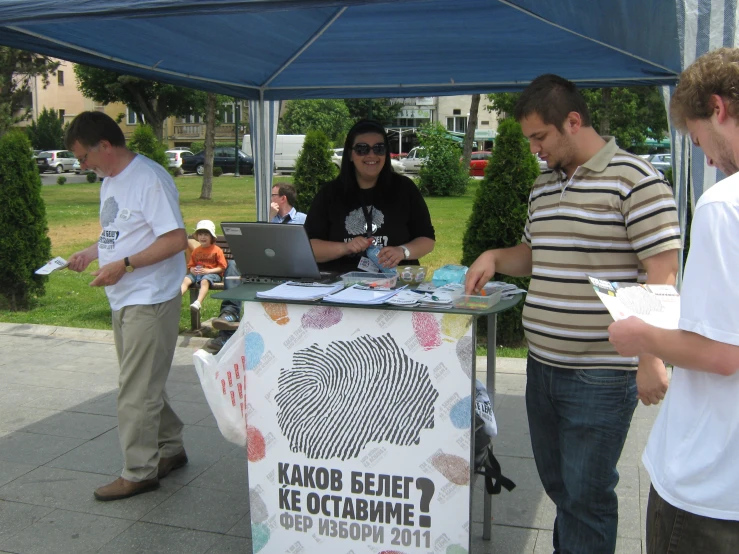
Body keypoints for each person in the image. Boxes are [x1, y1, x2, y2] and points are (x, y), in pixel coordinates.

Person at [464, 75, 682, 553]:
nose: (534, 149)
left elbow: (662, 273)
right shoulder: (544, 185)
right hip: (542, 369)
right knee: (562, 490)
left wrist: (651, 357)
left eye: (539, 137)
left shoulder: (636, 180)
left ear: (573, 121)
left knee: (586, 497)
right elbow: (535, 253)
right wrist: (497, 256)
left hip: (601, 375)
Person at [609, 47, 739, 553]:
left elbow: (723, 354)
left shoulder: (724, 205)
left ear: (718, 108)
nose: (704, 156)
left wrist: (642, 335)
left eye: (696, 136)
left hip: (710, 480)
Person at [65, 111, 189, 501]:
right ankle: (170, 449)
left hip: (149, 298)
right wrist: (92, 252)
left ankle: (139, 471)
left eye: (84, 157)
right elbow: (118, 233)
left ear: (105, 145)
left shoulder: (148, 179)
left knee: (135, 389)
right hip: (125, 296)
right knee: (144, 381)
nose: (82, 165)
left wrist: (127, 265)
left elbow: (176, 239)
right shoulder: (111, 181)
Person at [304, 119, 435, 275]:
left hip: (396, 286)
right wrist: (345, 248)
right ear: (350, 155)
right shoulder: (329, 193)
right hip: (341, 286)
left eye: (379, 148)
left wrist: (402, 251)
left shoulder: (405, 189)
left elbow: (427, 239)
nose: (371, 155)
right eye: (362, 149)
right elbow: (308, 248)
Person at [202, 184, 307, 354]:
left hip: (289, 267)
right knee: (235, 265)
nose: (269, 199)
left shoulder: (303, 219)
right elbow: (257, 242)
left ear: (282, 198)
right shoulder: (267, 217)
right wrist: (269, 218)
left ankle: (229, 336)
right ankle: (229, 316)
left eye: (272, 195)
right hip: (264, 262)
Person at [180, 219, 227, 311]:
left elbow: (222, 267)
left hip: (213, 274)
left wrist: (208, 271)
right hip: (197, 273)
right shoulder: (196, 251)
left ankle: (198, 302)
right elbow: (191, 265)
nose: (203, 237)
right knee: (186, 279)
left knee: (205, 280)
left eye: (206, 234)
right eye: (200, 234)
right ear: (197, 237)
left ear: (211, 237)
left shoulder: (217, 250)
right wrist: (192, 269)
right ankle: (176, 299)